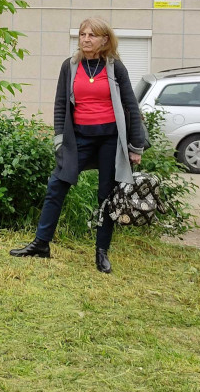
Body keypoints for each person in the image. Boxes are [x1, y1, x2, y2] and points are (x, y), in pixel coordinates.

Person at [10, 18, 149, 273]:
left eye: (92, 35)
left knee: (106, 196)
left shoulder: (115, 67)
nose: (86, 39)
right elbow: (61, 104)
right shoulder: (71, 66)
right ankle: (41, 244)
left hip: (110, 140)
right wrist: (60, 140)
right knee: (56, 185)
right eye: (83, 34)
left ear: (104, 40)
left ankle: (101, 252)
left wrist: (135, 146)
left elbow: (131, 106)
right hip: (79, 139)